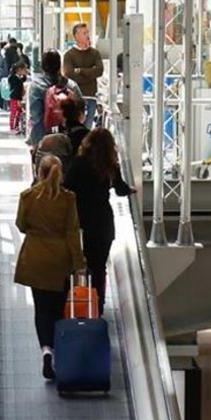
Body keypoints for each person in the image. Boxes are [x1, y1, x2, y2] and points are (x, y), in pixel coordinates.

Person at [14, 155, 86, 380]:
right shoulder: (68, 199)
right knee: (57, 310)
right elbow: (73, 232)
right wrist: (79, 264)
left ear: (39, 172)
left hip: (35, 257)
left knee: (41, 309)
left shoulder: (28, 197)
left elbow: (21, 225)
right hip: (59, 260)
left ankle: (46, 350)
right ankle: (57, 350)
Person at [63, 127, 132, 305]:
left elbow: (67, 187)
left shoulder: (78, 163)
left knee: (79, 264)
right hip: (103, 221)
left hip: (80, 220)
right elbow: (121, 189)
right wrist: (132, 190)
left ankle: (78, 302)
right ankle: (97, 304)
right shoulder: (110, 166)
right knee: (99, 267)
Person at [26, 50, 82, 150]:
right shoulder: (71, 85)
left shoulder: (36, 86)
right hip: (69, 138)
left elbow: (35, 116)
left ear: (42, 66)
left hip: (43, 138)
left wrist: (34, 140)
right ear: (59, 65)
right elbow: (81, 111)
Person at [62, 23, 104, 126]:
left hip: (91, 97)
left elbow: (99, 71)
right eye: (84, 33)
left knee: (88, 128)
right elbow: (69, 74)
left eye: (87, 32)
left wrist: (80, 70)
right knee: (75, 127)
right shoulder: (69, 55)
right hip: (75, 99)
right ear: (76, 36)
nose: (87, 35)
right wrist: (90, 74)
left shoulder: (95, 53)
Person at [8, 61, 29, 134]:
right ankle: (12, 127)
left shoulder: (16, 78)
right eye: (24, 69)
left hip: (18, 97)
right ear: (19, 69)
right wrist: (19, 100)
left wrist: (25, 75)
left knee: (18, 112)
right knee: (14, 113)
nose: (25, 71)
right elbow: (17, 89)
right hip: (15, 98)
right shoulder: (13, 78)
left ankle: (16, 126)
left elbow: (22, 80)